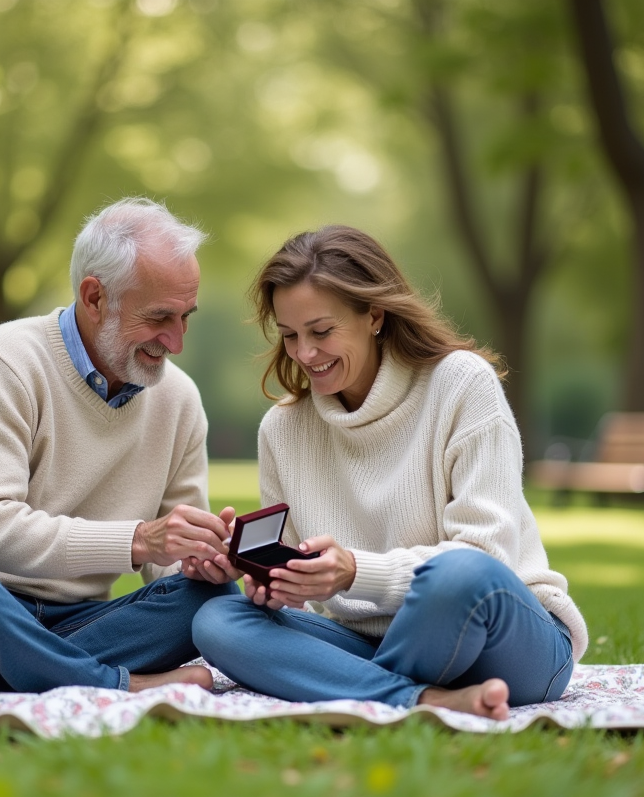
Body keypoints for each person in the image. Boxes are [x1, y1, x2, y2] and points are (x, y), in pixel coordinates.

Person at [0, 198, 240, 705]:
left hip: (69, 622)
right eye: (160, 317)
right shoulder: (5, 361)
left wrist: (199, 560)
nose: (177, 341)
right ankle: (114, 683)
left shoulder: (179, 399)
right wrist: (141, 540)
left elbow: (168, 560)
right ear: (95, 297)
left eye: (186, 316)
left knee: (213, 600)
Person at [192, 225, 587, 720]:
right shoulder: (283, 429)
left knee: (457, 575)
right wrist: (269, 582)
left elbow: (487, 555)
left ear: (374, 314)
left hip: (506, 642)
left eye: (322, 331)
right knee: (218, 619)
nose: (305, 354)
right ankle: (420, 699)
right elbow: (300, 598)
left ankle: (372, 693)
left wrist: (354, 571)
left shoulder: (462, 385)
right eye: (290, 336)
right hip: (369, 645)